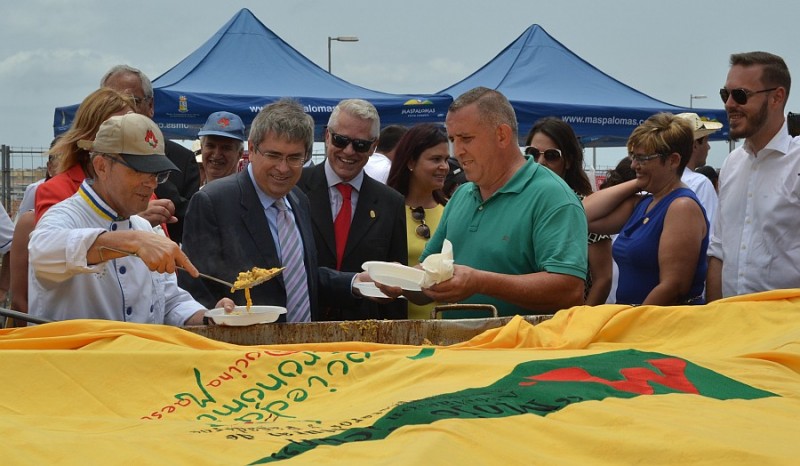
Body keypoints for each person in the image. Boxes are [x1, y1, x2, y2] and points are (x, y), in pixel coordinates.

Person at [28, 113, 232, 325]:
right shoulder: (65, 215)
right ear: (101, 166)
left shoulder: (145, 228)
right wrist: (132, 242)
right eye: (140, 170)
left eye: (157, 174)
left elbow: (170, 301)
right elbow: (42, 250)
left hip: (139, 356)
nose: (151, 183)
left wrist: (210, 318)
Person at [401, 87, 587, 317]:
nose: (457, 151)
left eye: (466, 138)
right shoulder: (462, 195)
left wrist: (481, 282)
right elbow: (427, 277)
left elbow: (570, 290)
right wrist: (400, 279)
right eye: (452, 139)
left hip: (522, 351)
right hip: (458, 349)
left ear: (502, 135)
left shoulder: (552, 196)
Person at [180, 99, 358, 321]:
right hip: (244, 349)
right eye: (273, 155)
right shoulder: (213, 202)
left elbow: (300, 277)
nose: (283, 168)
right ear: (252, 149)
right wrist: (214, 312)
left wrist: (355, 283)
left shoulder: (299, 200)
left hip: (302, 348)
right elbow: (192, 284)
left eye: (294, 158)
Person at [297, 99, 408, 320]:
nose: (349, 151)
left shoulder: (391, 202)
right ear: (327, 136)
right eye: (341, 140)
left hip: (364, 334)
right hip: (302, 324)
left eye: (360, 145)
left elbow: (396, 284)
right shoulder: (295, 189)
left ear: (374, 147)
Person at [583, 113, 709, 306]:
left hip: (659, 326)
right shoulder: (644, 203)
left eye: (643, 159)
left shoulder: (682, 207)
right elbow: (583, 215)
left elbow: (673, 287)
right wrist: (638, 182)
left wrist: (632, 322)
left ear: (673, 160)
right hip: (637, 321)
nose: (634, 165)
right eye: (633, 157)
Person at [707, 51, 800, 300]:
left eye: (740, 95)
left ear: (776, 98)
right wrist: (714, 318)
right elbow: (718, 250)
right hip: (733, 325)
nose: (729, 104)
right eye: (725, 94)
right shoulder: (732, 163)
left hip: (787, 328)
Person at [101, 64, 201, 244]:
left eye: (133, 100)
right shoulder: (82, 162)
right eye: (112, 101)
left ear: (150, 106)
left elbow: (192, 228)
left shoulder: (182, 159)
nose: (125, 109)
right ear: (100, 166)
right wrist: (134, 222)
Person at [524, 117, 612, 305]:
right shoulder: (518, 204)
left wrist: (579, 322)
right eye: (532, 153)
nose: (539, 162)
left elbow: (603, 279)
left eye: (551, 155)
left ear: (569, 161)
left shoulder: (583, 206)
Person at [35, 88, 136, 222]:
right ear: (89, 135)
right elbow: (54, 239)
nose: (129, 138)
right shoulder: (56, 189)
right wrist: (132, 220)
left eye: (133, 129)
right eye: (116, 131)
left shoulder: (140, 183)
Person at [386, 123, 450, 319]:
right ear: (411, 162)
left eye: (446, 159)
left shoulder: (451, 210)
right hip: (397, 330)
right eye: (435, 159)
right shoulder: (385, 210)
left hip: (450, 329)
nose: (445, 167)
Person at [675, 112, 722, 237]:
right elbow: (711, 235)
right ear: (695, 145)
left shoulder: (662, 180)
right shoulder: (700, 183)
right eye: (706, 141)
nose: (708, 147)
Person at [197, 111, 246, 185]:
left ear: (239, 153)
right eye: (211, 146)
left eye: (225, 148)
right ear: (202, 147)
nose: (216, 155)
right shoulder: (190, 194)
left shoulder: (248, 195)